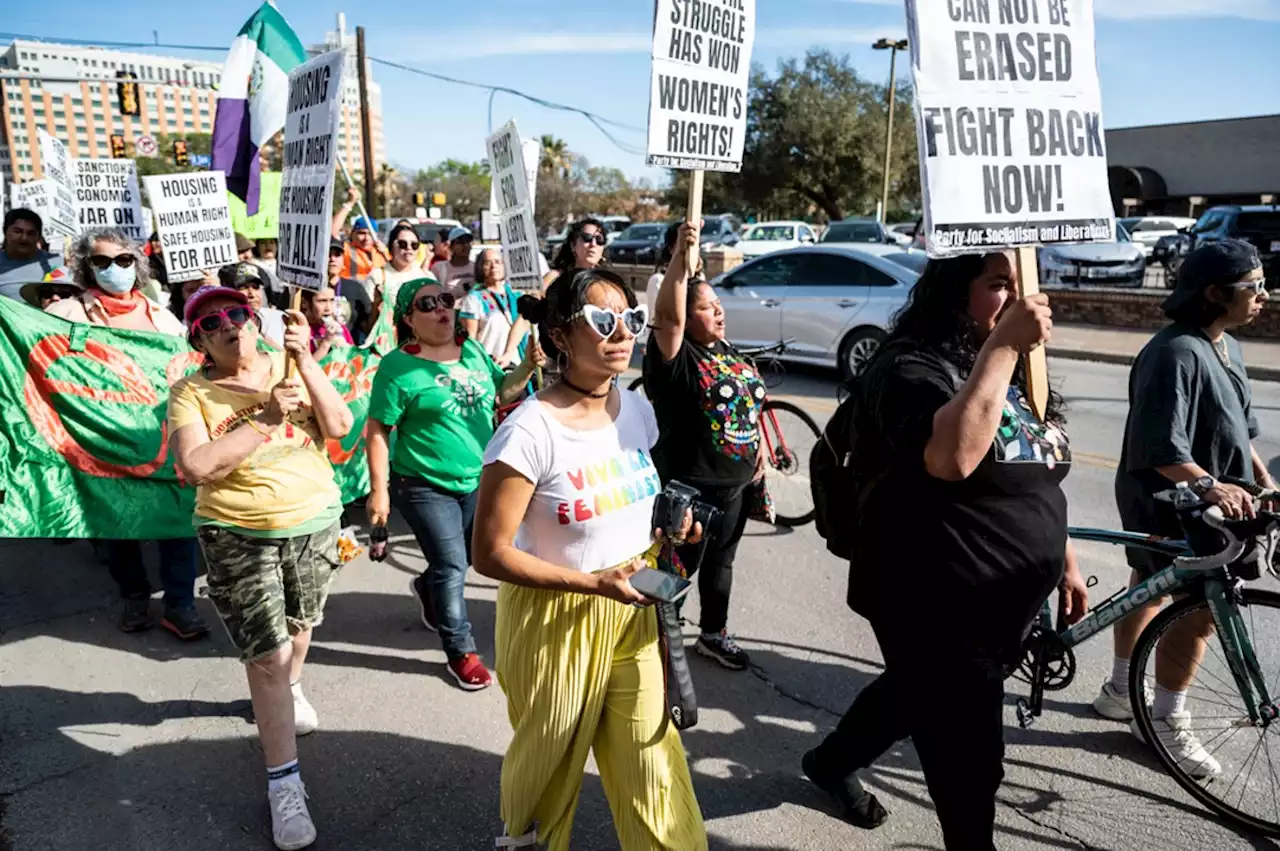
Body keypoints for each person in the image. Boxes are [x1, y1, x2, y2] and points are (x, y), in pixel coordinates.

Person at [799, 252, 1088, 849]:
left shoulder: (1017, 367)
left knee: (910, 694)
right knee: (968, 761)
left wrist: (1065, 559)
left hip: (1003, 597)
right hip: (932, 598)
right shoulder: (909, 368)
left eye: (1020, 284)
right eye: (998, 285)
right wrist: (1005, 345)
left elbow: (1038, 467)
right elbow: (952, 458)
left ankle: (829, 764)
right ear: (956, 294)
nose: (1017, 297)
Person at [473, 269, 708, 851]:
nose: (621, 333)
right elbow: (489, 553)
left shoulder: (635, 410)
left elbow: (636, 504)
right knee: (547, 776)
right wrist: (588, 582)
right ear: (559, 335)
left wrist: (673, 526)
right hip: (554, 620)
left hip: (632, 610)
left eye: (629, 319)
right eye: (603, 321)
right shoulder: (527, 432)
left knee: (652, 766)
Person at [170, 284, 353, 850]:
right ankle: (284, 783)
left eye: (238, 314)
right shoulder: (190, 393)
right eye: (211, 322)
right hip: (237, 533)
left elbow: (340, 425)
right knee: (267, 658)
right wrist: (267, 416)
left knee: (302, 627)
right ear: (198, 339)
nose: (230, 325)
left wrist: (308, 360)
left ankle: (292, 685)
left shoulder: (289, 362)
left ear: (256, 319)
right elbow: (195, 466)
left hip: (314, 519)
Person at [1099, 239, 1273, 778]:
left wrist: (1264, 478)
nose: (1264, 295)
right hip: (1172, 497)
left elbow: (1238, 433)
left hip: (1209, 495)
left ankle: (1119, 692)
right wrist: (1211, 487)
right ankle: (1164, 720)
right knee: (1198, 610)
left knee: (1148, 590)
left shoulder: (1225, 345)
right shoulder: (1174, 352)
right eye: (1254, 287)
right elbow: (1160, 448)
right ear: (1215, 293)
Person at [366, 278, 542, 690]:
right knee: (450, 565)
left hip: (479, 479)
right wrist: (379, 489)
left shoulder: (474, 350)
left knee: (462, 560)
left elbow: (502, 393)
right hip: (423, 483)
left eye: (445, 299)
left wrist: (528, 367)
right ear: (408, 319)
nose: (442, 309)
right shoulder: (397, 367)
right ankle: (461, 651)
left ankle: (426, 588)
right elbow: (377, 428)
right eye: (427, 304)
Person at [47, 227, 207, 639]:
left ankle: (180, 604)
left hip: (161, 437)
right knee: (117, 523)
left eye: (122, 260)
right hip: (100, 441)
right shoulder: (66, 315)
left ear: (136, 265)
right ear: (87, 267)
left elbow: (189, 364)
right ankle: (135, 597)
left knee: (177, 519)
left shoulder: (162, 317)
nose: (113, 269)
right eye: (101, 262)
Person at [643, 221, 762, 670]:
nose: (719, 313)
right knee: (674, 571)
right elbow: (667, 317)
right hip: (690, 489)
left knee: (721, 565)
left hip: (735, 485)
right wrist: (679, 257)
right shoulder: (675, 359)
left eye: (719, 304)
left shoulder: (725, 351)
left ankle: (712, 634)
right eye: (706, 308)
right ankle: (652, 641)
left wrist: (758, 458)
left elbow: (749, 407)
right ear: (685, 317)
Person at [459, 248, 528, 366]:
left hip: (518, 364)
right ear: (480, 267)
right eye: (487, 263)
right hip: (490, 364)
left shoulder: (518, 295)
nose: (493, 266)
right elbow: (471, 341)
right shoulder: (473, 300)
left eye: (497, 262)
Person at [0, 209, 62, 301]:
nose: (24, 238)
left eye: (31, 233)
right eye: (17, 231)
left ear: (39, 237)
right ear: (5, 232)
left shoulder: (56, 263)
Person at [367, 223, 431, 311]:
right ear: (391, 247)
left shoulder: (426, 276)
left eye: (414, 245)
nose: (409, 248)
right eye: (403, 244)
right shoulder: (377, 276)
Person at [220, 261, 286, 348]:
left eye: (256, 287)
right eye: (243, 287)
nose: (252, 294)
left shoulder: (280, 319)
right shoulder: (222, 328)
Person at [323, 238, 374, 345]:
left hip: (348, 353)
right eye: (327, 254)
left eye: (337, 255)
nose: (332, 259)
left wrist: (378, 307)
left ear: (343, 260)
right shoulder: (309, 289)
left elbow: (368, 326)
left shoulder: (355, 288)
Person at [331, 193, 388, 280]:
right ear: (352, 234)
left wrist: (384, 253)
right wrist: (350, 203)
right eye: (361, 233)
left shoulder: (382, 251)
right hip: (350, 291)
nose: (366, 238)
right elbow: (332, 232)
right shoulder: (345, 249)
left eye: (370, 234)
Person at [545, 217, 606, 288]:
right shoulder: (555, 277)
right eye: (587, 238)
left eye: (599, 239)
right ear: (573, 245)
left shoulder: (607, 282)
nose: (593, 244)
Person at [429, 226, 477, 294]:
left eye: (468, 241)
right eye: (461, 241)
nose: (465, 245)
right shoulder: (438, 268)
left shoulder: (477, 268)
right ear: (451, 246)